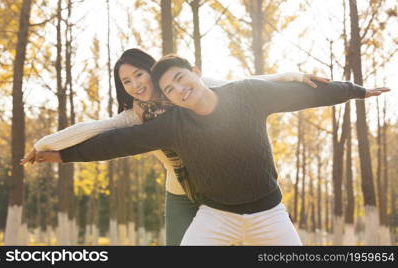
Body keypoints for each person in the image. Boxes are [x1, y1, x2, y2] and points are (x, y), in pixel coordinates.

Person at [21, 49, 326, 245]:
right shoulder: (135, 117)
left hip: (225, 192)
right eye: (127, 82)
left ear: (151, 70)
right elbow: (95, 131)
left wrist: (295, 77)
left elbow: (250, 83)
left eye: (139, 74)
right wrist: (45, 145)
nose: (136, 84)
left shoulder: (193, 86)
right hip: (181, 196)